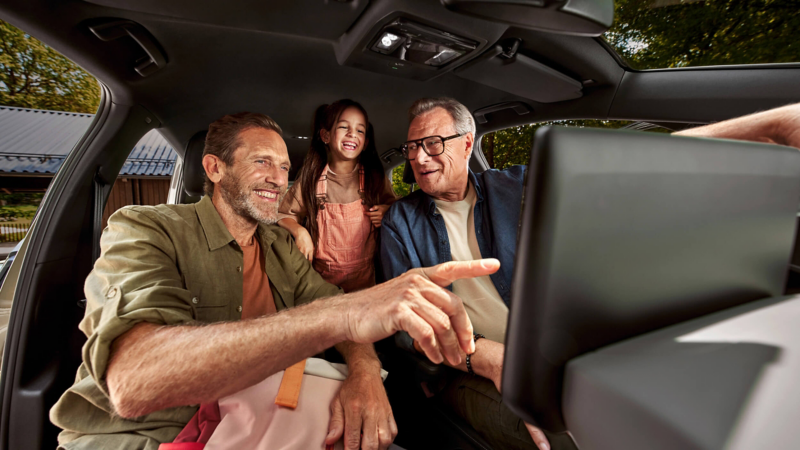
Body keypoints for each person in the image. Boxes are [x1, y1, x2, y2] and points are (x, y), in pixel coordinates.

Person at [49, 111, 493, 450]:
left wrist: (365, 373)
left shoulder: (280, 247)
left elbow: (335, 305)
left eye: (285, 167)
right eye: (263, 162)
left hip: (259, 420)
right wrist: (344, 313)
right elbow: (133, 382)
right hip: (147, 435)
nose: (278, 179)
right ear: (215, 168)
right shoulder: (145, 227)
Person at [380, 97, 800, 450]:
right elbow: (407, 326)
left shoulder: (516, 187)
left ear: (468, 142)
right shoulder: (402, 219)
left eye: (432, 144)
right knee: (575, 435)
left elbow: (621, 175)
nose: (418, 157)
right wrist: (488, 357)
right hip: (465, 367)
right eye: (411, 147)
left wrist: (772, 127)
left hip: (557, 349)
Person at [278, 99, 396, 293]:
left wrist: (387, 211)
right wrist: (300, 232)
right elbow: (283, 215)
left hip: (366, 286)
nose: (352, 134)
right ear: (325, 136)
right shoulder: (310, 180)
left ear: (365, 142)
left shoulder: (375, 179)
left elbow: (398, 211)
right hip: (321, 286)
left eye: (360, 130)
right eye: (343, 127)